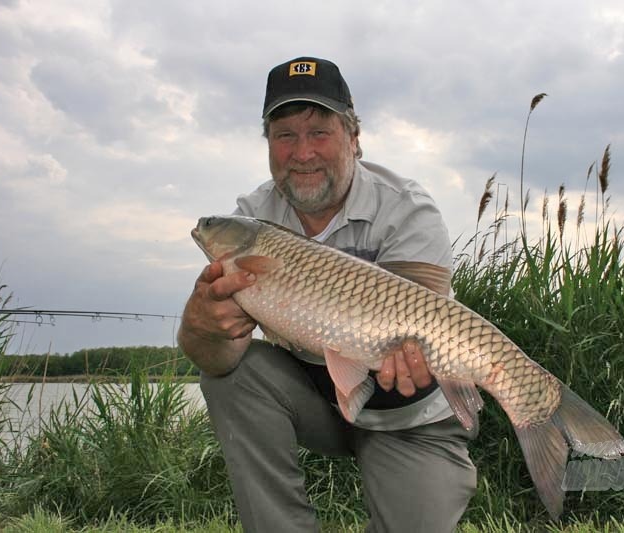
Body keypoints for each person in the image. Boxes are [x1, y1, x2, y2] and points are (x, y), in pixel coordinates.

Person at [178, 56, 478, 533]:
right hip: (318, 397)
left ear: (354, 139)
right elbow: (212, 356)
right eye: (285, 135)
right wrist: (200, 326)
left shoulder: (407, 210)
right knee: (232, 375)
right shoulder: (253, 218)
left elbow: (429, 319)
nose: (302, 152)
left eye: (319, 132)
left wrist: (418, 358)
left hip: (409, 412)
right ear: (269, 146)